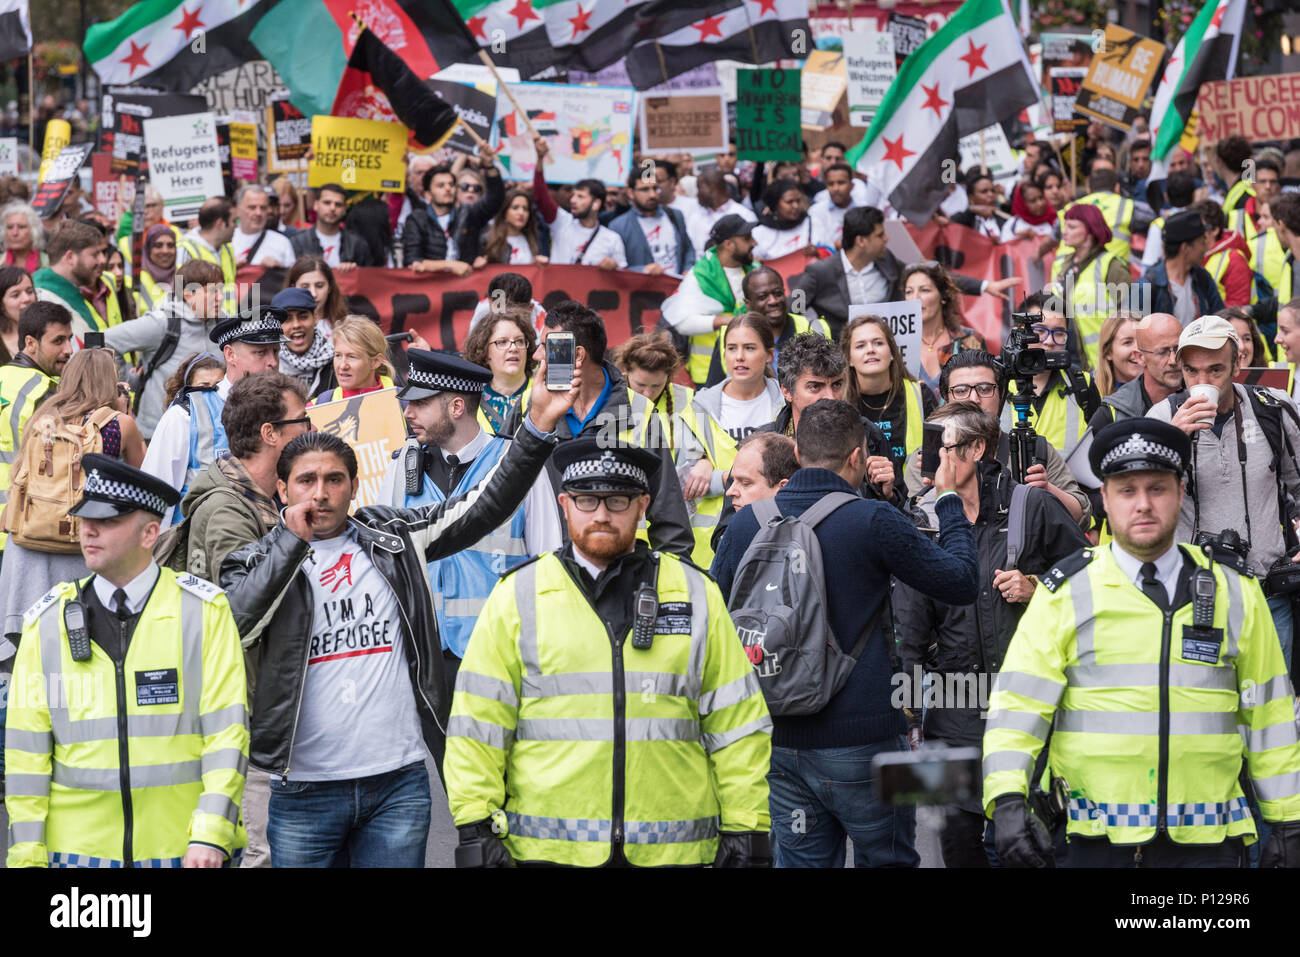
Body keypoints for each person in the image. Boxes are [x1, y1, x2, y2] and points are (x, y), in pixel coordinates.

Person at [219, 362, 578, 868]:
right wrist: (289, 545)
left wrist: (538, 425)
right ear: (283, 490)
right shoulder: (255, 560)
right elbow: (235, 622)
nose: (320, 493)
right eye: (306, 481)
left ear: (353, 486)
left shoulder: (391, 540)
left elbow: (482, 508)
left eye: (333, 480)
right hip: (303, 788)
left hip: (397, 784)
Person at [983, 417, 1300, 868]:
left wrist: (1289, 822)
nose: (1143, 504)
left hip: (1206, 843)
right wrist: (1008, 798)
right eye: (1127, 491)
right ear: (1106, 500)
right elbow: (1018, 707)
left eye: (1157, 488)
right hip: (1093, 839)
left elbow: (1269, 716)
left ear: (1181, 491)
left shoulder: (1236, 592)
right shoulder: (1065, 592)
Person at [446, 437, 773, 869]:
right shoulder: (517, 596)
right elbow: (478, 724)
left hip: (673, 852)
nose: (601, 514)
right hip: (550, 853)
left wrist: (747, 828)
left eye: (617, 500)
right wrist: (475, 826)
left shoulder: (697, 594)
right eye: (586, 500)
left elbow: (737, 726)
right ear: (564, 504)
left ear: (643, 506)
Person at [710, 398, 979, 866]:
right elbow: (961, 582)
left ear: (797, 452)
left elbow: (717, 618)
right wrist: (950, 499)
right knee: (887, 859)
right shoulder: (872, 520)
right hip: (867, 742)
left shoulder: (745, 525)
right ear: (856, 456)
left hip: (780, 740)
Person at [4, 454, 249, 868]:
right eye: (85, 519)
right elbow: (26, 751)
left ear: (150, 533)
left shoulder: (204, 612)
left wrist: (211, 833)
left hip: (184, 851)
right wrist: (27, 854)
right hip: (77, 859)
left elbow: (227, 734)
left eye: (109, 520)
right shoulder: (46, 623)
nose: (89, 529)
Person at [896, 402, 1088, 868]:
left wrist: (1037, 590)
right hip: (951, 711)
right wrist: (908, 715)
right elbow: (910, 629)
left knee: (1025, 845)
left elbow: (1090, 583)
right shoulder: (921, 519)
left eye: (940, 448)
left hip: (1026, 704)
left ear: (977, 448)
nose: (930, 461)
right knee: (957, 847)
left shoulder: (1032, 505)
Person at [175, 371, 310, 870]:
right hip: (247, 712)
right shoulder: (227, 509)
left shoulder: (265, 498)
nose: (313, 429)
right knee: (261, 853)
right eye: (303, 420)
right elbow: (238, 613)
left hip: (268, 709)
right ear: (272, 433)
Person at [378, 349, 562, 692]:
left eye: (420, 403)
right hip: (424, 660)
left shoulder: (517, 468)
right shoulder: (401, 466)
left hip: (499, 656)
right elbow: (383, 566)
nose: (408, 412)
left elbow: (548, 562)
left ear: (456, 407)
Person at [1148, 316, 1300, 668]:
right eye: (1191, 372)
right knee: (1203, 711)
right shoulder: (1162, 417)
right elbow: (1145, 502)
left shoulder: (1273, 408)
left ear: (1237, 364)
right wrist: (1173, 441)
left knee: (1272, 709)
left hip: (1267, 597)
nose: (1202, 382)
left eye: (1215, 370)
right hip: (1192, 597)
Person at [502, 301, 695, 558]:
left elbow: (669, 519)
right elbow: (499, 494)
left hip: (622, 578)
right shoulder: (528, 406)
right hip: (545, 578)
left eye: (548, 347)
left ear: (577, 355)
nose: (537, 355)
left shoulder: (641, 412)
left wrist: (665, 586)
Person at [0, 348, 145, 640]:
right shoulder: (118, 424)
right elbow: (143, 481)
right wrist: (127, 413)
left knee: (31, 647)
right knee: (78, 642)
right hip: (83, 543)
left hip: (29, 546)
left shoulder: (43, 418)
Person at [142, 309, 285, 527]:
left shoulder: (287, 412)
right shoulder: (187, 414)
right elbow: (153, 500)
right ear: (230, 354)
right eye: (260, 352)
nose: (272, 362)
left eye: (276, 352)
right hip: (200, 553)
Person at [791, 207, 1017, 340]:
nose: (887, 239)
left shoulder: (887, 261)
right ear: (861, 241)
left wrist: (985, 286)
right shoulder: (820, 272)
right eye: (880, 235)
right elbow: (790, 310)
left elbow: (929, 274)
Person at [103, 260, 225, 439]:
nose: (220, 297)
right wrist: (124, 384)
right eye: (212, 291)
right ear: (188, 294)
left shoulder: (225, 324)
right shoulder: (163, 323)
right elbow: (106, 340)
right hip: (157, 434)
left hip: (210, 435)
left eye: (221, 290)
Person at [0, 302, 74, 558]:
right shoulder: (46, 394)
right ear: (30, 343)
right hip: (17, 524)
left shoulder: (2, 377)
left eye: (70, 339)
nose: (69, 350)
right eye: (58, 341)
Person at [1000, 291, 1100, 465]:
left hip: (1067, 490)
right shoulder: (995, 384)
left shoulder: (1082, 383)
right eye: (1039, 330)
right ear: (1017, 334)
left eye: (1059, 333)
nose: (1049, 341)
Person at [659, 214, 758, 386]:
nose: (754, 243)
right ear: (728, 244)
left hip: (748, 371)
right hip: (708, 375)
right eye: (747, 238)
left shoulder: (755, 272)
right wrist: (729, 321)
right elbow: (683, 323)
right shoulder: (699, 277)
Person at [843, 313, 938, 476]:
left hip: (914, 496)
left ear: (892, 352)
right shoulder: (838, 402)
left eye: (878, 343)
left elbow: (936, 459)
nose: (870, 350)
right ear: (849, 359)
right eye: (860, 346)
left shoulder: (921, 395)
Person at [704, 266, 830, 386]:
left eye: (778, 293)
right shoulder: (729, 337)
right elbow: (712, 395)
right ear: (748, 303)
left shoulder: (811, 329)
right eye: (762, 297)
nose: (773, 301)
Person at [1049, 204, 1134, 367]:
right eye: (1064, 225)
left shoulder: (1112, 265)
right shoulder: (1060, 263)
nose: (1064, 231)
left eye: (1072, 226)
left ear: (1090, 231)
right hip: (1064, 357)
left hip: (1101, 363)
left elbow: (1131, 318)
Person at [531, 136, 626, 268]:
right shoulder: (562, 223)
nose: (573, 200)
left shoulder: (612, 239)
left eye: (580, 197)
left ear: (596, 204)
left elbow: (624, 279)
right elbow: (541, 196)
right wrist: (540, 158)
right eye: (573, 195)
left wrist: (614, 267)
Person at [905, 261, 987, 392]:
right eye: (909, 292)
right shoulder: (897, 344)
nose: (915, 298)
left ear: (943, 296)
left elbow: (984, 388)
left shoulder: (969, 339)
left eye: (924, 290)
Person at [33, 220, 118, 342]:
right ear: (70, 257)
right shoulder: (43, 296)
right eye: (95, 254)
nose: (103, 260)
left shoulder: (69, 290)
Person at [461, 303, 535, 436]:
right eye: (502, 342)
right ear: (484, 350)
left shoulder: (543, 391)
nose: (513, 348)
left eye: (519, 341)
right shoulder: (468, 401)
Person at [1141, 209, 1224, 325]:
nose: (1205, 248)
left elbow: (1221, 321)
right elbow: (1131, 333)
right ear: (1185, 248)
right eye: (1202, 242)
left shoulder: (1203, 278)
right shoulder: (1143, 287)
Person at [607, 168, 695, 275]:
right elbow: (618, 269)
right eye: (645, 190)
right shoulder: (618, 226)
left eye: (655, 188)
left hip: (677, 287)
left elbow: (688, 249)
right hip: (643, 289)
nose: (652, 195)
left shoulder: (675, 216)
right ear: (631, 193)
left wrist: (688, 269)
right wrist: (643, 270)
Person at [401, 163, 473, 275]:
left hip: (463, 287)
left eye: (451, 184)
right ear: (428, 195)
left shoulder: (465, 215)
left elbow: (493, 200)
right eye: (441, 185)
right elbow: (411, 260)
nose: (448, 188)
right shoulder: (417, 219)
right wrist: (449, 265)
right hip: (430, 288)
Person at [310, 315, 394, 405]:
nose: (342, 366)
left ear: (376, 362)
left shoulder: (405, 403)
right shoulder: (317, 406)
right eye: (338, 355)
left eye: (352, 357)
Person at [176, 197, 238, 315]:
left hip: (226, 324)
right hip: (201, 326)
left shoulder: (228, 248)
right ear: (220, 223)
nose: (236, 226)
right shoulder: (186, 249)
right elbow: (181, 295)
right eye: (234, 221)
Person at [290, 183, 373, 269]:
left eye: (338, 204)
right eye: (327, 203)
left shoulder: (357, 244)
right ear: (316, 205)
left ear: (344, 209)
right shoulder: (298, 242)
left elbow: (367, 278)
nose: (332, 208)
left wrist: (355, 272)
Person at [677, 166, 756, 256]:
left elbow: (753, 249)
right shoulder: (696, 216)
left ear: (714, 189)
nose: (697, 194)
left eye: (700, 189)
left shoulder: (744, 214)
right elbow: (689, 249)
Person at [274, 285, 336, 398]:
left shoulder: (338, 361)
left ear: (315, 318)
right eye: (287, 319)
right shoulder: (269, 366)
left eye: (303, 317)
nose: (296, 325)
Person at [1196, 200, 1254, 308]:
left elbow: (1237, 308)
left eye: (1200, 228)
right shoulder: (1197, 256)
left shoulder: (1234, 259)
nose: (1195, 232)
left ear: (1214, 230)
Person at [475, 187, 546, 267]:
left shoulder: (534, 240)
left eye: (525, 209)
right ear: (504, 212)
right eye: (515, 208)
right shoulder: (487, 240)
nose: (521, 213)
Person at [230, 185, 296, 268]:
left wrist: (280, 269)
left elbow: (292, 278)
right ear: (238, 210)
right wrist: (229, 269)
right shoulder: (226, 241)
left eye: (263, 208)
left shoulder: (282, 243)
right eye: (252, 207)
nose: (258, 213)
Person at [752, 178, 815, 261]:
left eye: (798, 201)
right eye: (790, 202)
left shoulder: (811, 222)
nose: (796, 206)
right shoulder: (759, 233)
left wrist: (817, 251)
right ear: (775, 204)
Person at [287, 254, 349, 337]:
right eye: (305, 287)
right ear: (293, 287)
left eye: (319, 285)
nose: (313, 294)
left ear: (330, 287)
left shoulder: (346, 325)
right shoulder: (280, 327)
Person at [127, 224, 178, 317]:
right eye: (158, 245)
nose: (165, 251)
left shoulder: (184, 274)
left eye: (170, 245)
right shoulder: (133, 280)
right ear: (148, 249)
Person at [809, 163, 859, 249]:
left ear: (852, 185)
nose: (836, 188)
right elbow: (817, 244)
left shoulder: (864, 208)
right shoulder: (816, 211)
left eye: (841, 183)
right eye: (831, 184)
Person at [1095, 312, 1142, 397]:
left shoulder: (1165, 391)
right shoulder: (1089, 391)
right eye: (1127, 342)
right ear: (1108, 352)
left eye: (1142, 341)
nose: (1138, 349)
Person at [951, 169, 1004, 240]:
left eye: (993, 191)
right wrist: (971, 210)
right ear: (971, 198)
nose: (991, 194)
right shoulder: (966, 222)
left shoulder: (1004, 217)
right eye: (984, 191)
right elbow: (951, 224)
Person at [0, 264, 35, 363]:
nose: (26, 299)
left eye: (30, 291)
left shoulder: (46, 332)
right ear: (1, 304)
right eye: (15, 295)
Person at [1, 201, 46, 274]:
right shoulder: (1, 263)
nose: (15, 233)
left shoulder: (49, 263)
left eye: (21, 227)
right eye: (10, 227)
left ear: (34, 231)